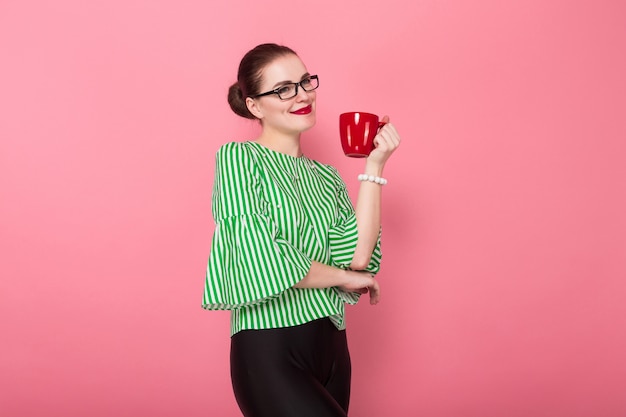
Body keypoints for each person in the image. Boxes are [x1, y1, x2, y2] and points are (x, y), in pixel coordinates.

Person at [202, 43, 400, 417]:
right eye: (283, 88)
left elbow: (358, 258)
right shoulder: (238, 159)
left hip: (333, 349)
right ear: (255, 105)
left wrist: (374, 168)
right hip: (270, 348)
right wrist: (340, 277)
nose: (302, 95)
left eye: (305, 81)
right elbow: (261, 260)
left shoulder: (327, 178)